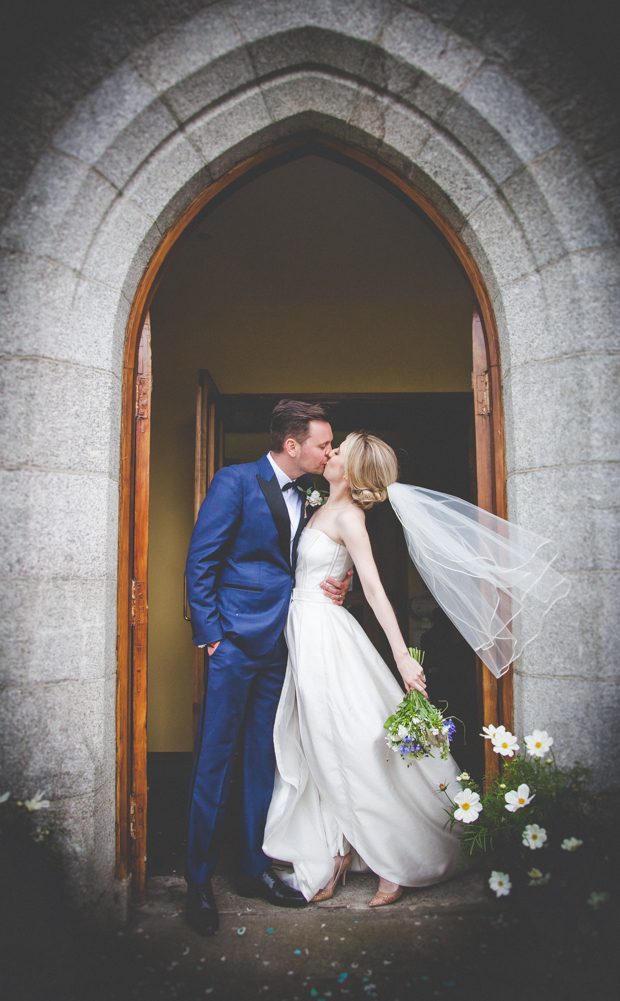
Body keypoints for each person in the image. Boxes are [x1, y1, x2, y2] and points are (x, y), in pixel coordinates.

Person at [263, 433, 462, 906]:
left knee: (346, 743)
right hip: (305, 630)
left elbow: (374, 591)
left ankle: (393, 862)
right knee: (317, 745)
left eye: (339, 451)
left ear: (351, 473)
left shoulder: (351, 518)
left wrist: (402, 657)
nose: (329, 453)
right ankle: (336, 851)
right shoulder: (316, 505)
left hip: (325, 638)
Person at [184, 400, 352, 936]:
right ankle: (197, 881)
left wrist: (339, 581)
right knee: (214, 762)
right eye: (323, 444)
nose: (329, 451)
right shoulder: (234, 482)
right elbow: (201, 561)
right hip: (233, 645)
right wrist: (212, 637)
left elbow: (307, 558)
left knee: (264, 760)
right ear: (291, 445)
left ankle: (254, 870)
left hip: (283, 646)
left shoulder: (312, 493)